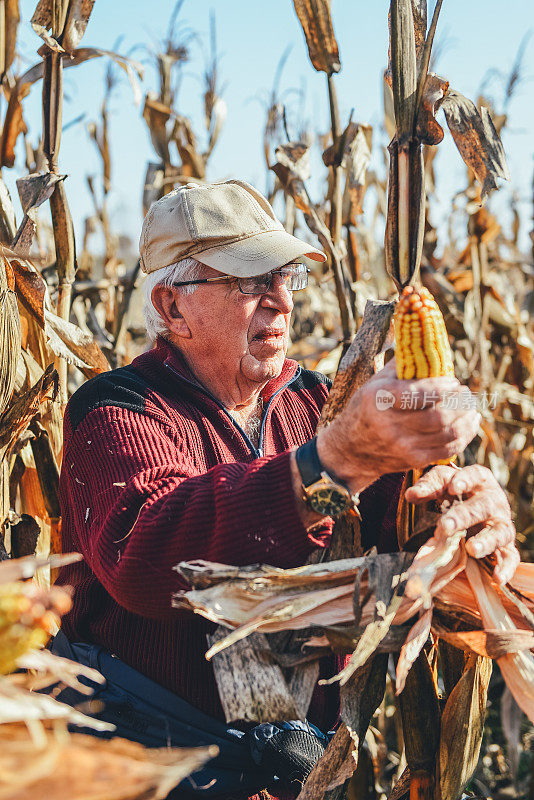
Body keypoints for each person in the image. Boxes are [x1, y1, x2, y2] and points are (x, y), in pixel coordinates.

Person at [54, 180, 519, 800]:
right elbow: (148, 562)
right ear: (171, 308)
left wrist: (467, 513)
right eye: (250, 281)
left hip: (302, 772)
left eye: (286, 277)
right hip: (154, 768)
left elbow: (397, 531)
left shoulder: (316, 404)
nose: (280, 300)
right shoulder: (116, 411)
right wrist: (336, 459)